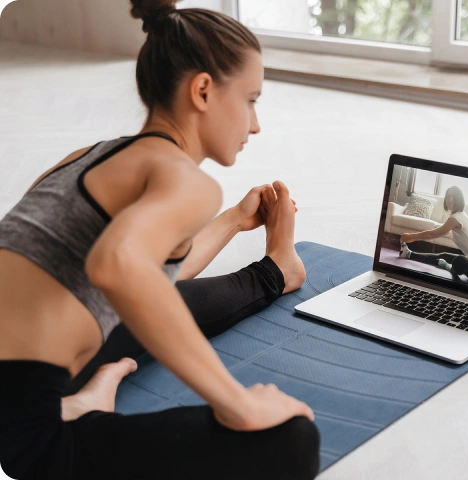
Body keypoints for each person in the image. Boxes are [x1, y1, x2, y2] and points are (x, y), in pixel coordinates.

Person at [0, 3, 320, 480]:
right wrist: (239, 404)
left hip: (22, 380)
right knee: (292, 439)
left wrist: (233, 219)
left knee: (160, 301)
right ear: (204, 90)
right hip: (29, 434)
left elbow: (146, 274)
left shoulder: (91, 156)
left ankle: (276, 268)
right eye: (251, 99)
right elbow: (118, 267)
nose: (255, 124)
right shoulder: (187, 180)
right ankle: (79, 414)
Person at [398, 186, 468, 284]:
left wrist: (410, 236)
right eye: (448, 196)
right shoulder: (457, 216)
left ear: (459, 199)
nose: (450, 199)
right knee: (444, 255)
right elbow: (438, 232)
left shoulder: (457, 218)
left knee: (459, 260)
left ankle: (450, 267)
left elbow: (432, 234)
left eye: (454, 197)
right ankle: (409, 254)